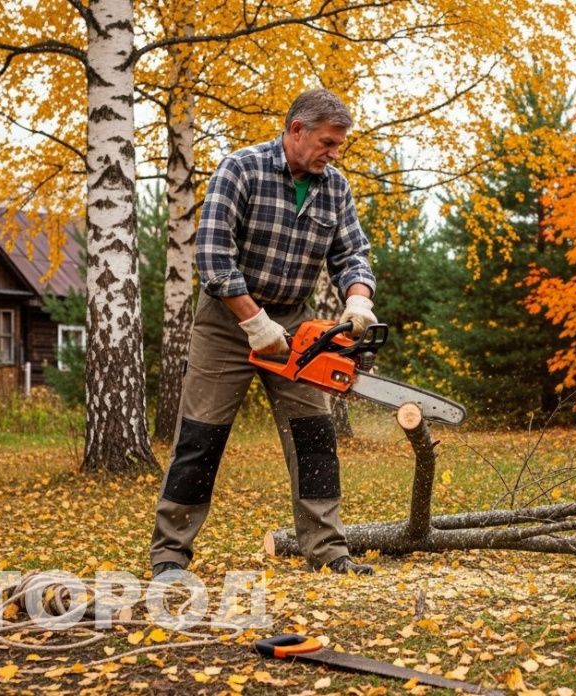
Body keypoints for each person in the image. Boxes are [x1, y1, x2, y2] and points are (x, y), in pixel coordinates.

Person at [150, 88, 378, 577]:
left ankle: (327, 548)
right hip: (227, 321)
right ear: (296, 130)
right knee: (200, 436)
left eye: (339, 145)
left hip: (296, 322)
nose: (334, 153)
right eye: (327, 142)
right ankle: (170, 554)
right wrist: (254, 322)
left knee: (314, 435)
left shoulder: (334, 187)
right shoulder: (241, 169)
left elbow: (351, 253)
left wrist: (358, 298)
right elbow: (212, 257)